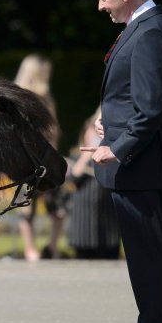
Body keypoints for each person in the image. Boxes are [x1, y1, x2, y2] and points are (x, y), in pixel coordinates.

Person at [83, 0, 162, 323]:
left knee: (150, 263)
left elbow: (152, 107)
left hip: (140, 169)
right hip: (138, 167)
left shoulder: (151, 32)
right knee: (147, 262)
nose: (101, 6)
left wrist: (118, 146)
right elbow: (136, 100)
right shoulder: (145, 28)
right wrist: (111, 118)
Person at [13, 54, 66, 260]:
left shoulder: (19, 96)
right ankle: (46, 247)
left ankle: (33, 249)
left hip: (27, 158)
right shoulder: (37, 98)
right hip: (36, 158)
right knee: (46, 206)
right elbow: (53, 132)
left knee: (28, 206)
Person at [66, 108, 121, 259]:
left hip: (108, 227)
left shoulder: (112, 155)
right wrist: (86, 156)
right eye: (92, 130)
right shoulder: (77, 156)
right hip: (84, 227)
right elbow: (72, 180)